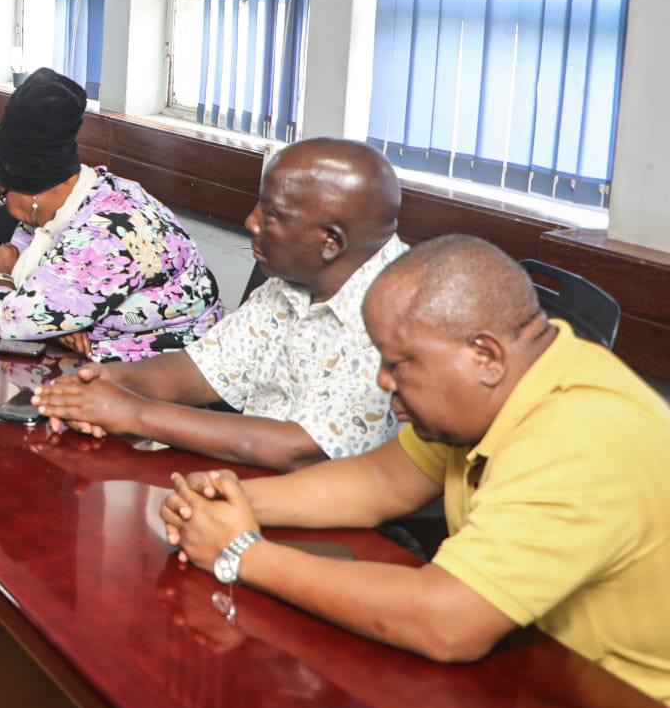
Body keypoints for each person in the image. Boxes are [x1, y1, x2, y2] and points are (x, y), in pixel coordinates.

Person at [159, 236, 670, 705]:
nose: (384, 382)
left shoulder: (578, 438)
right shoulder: (515, 376)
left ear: (484, 356)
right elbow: (378, 482)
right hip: (532, 677)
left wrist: (242, 553)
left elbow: (446, 622)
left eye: (400, 364)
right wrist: (234, 501)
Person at [30, 138, 406, 471]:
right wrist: (105, 382)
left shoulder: (398, 311)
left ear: (330, 243)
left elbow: (301, 449)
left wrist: (132, 412)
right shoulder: (299, 278)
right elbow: (199, 369)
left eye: (271, 214)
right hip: (246, 483)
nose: (250, 222)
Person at [0, 68, 223, 362]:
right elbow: (40, 300)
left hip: (166, 370)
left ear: (32, 194)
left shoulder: (103, 234)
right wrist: (57, 321)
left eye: (2, 195)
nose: (2, 204)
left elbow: (12, 319)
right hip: (107, 355)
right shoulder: (83, 193)